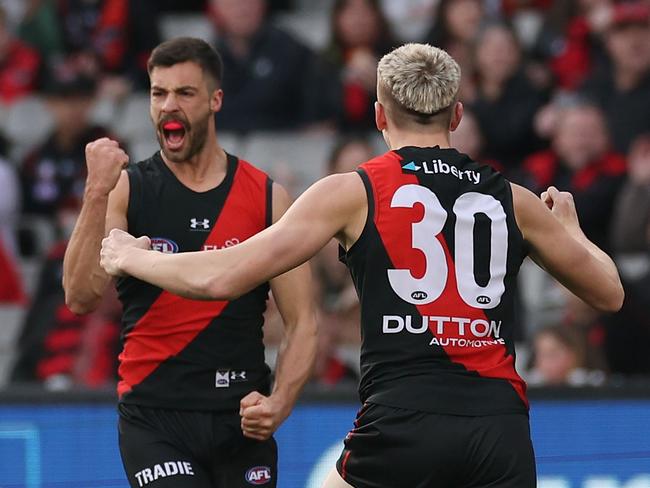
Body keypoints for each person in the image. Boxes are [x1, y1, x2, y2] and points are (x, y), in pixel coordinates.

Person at [101, 43, 624, 488]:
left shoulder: (354, 191)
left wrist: (132, 255)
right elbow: (608, 293)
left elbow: (221, 276)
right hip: (500, 428)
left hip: (404, 420)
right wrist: (575, 233)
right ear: (457, 115)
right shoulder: (515, 199)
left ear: (378, 116)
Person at [63, 37, 316, 488]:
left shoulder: (266, 199)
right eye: (158, 94)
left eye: (184, 93)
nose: (168, 106)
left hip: (240, 419)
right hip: (155, 418)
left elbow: (303, 321)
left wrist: (279, 403)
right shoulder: (128, 189)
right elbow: (81, 297)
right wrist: (95, 192)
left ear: (215, 100)